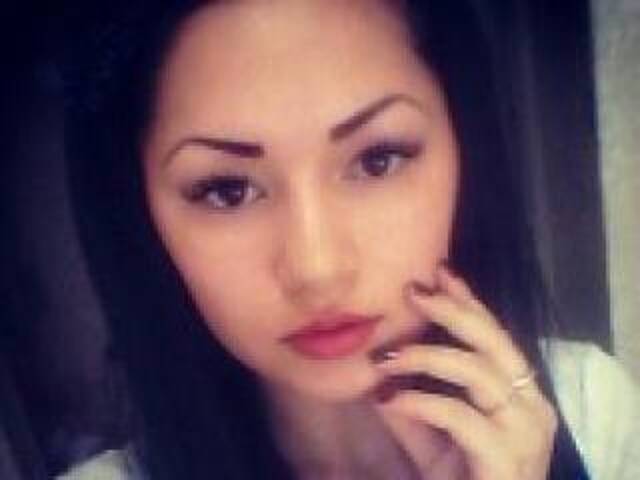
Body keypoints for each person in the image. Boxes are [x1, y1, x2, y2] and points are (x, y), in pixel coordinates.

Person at [61, 1, 640, 479]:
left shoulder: (591, 410)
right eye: (227, 191)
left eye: (378, 159)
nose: (318, 269)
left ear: (464, 148)